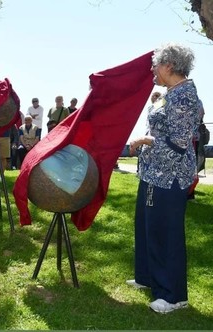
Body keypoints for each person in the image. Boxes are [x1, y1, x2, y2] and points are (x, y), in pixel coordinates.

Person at [128, 43, 201, 314]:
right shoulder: (169, 93)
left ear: (169, 66)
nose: (152, 70)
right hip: (153, 173)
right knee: (147, 227)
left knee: (164, 233)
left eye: (156, 65)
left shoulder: (184, 96)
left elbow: (179, 143)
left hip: (170, 176)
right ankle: (147, 277)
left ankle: (172, 295)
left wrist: (145, 139)